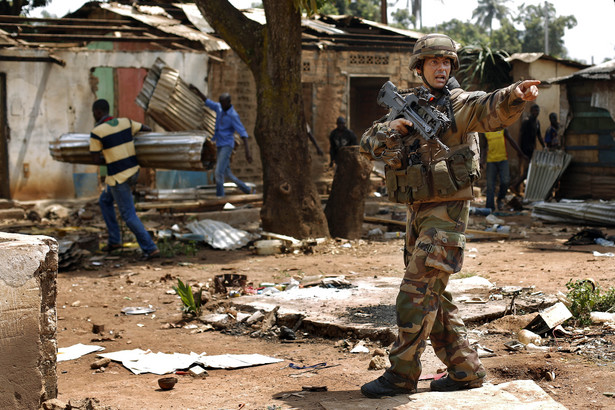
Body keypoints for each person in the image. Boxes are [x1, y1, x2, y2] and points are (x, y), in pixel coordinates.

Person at [359, 33, 540, 399]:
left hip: (447, 214)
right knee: (434, 298)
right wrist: (391, 129)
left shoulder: (460, 105)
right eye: (434, 63)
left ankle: (401, 374)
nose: (441, 68)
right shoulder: (406, 103)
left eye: (447, 63)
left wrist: (515, 94)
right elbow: (368, 146)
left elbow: (490, 108)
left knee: (414, 293)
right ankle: (465, 370)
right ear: (420, 67)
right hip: (417, 212)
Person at [89, 99, 160, 260]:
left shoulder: (97, 132)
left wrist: (111, 158)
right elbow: (146, 129)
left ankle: (150, 248)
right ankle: (115, 241)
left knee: (128, 215)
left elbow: (94, 159)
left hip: (118, 177)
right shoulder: (125, 122)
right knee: (105, 201)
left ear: (98, 113)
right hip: (133, 171)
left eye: (94, 112)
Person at [190, 86, 253, 197]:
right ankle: (247, 189)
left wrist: (247, 152)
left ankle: (220, 197)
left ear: (228, 102)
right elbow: (207, 102)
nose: (221, 105)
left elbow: (243, 133)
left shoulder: (233, 116)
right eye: (220, 103)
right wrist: (197, 91)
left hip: (227, 145)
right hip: (219, 144)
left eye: (223, 103)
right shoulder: (219, 108)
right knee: (227, 174)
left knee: (218, 172)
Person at [480, 128, 527, 211]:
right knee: (490, 185)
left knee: (505, 181)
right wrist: (482, 160)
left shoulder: (503, 129)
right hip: (491, 161)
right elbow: (484, 147)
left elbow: (511, 141)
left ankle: (500, 199)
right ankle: (489, 207)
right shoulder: (486, 131)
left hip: (503, 160)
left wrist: (521, 153)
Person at [513, 104, 545, 193]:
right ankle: (516, 186)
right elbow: (520, 135)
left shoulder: (537, 122)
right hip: (524, 149)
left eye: (537, 111)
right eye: (535, 111)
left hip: (532, 149)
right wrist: (519, 150)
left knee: (529, 170)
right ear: (531, 111)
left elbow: (539, 136)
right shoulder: (526, 121)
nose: (536, 113)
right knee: (527, 170)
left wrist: (544, 146)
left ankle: (518, 187)